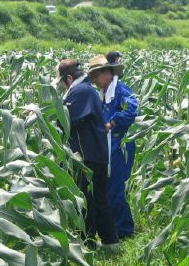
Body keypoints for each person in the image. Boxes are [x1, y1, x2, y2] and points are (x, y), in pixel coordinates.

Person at [54, 59, 119, 250]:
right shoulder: (87, 89)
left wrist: (43, 118)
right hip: (95, 153)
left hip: (87, 155)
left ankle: (88, 243)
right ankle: (110, 242)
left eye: (61, 83)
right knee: (98, 199)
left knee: (87, 201)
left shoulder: (80, 91)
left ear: (69, 78)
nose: (60, 88)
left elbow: (67, 121)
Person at [87, 55, 138, 239]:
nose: (94, 81)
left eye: (96, 76)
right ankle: (116, 228)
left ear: (108, 73)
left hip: (120, 146)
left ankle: (124, 230)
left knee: (116, 188)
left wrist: (113, 122)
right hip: (109, 147)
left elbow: (132, 108)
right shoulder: (104, 93)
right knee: (109, 188)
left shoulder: (120, 91)